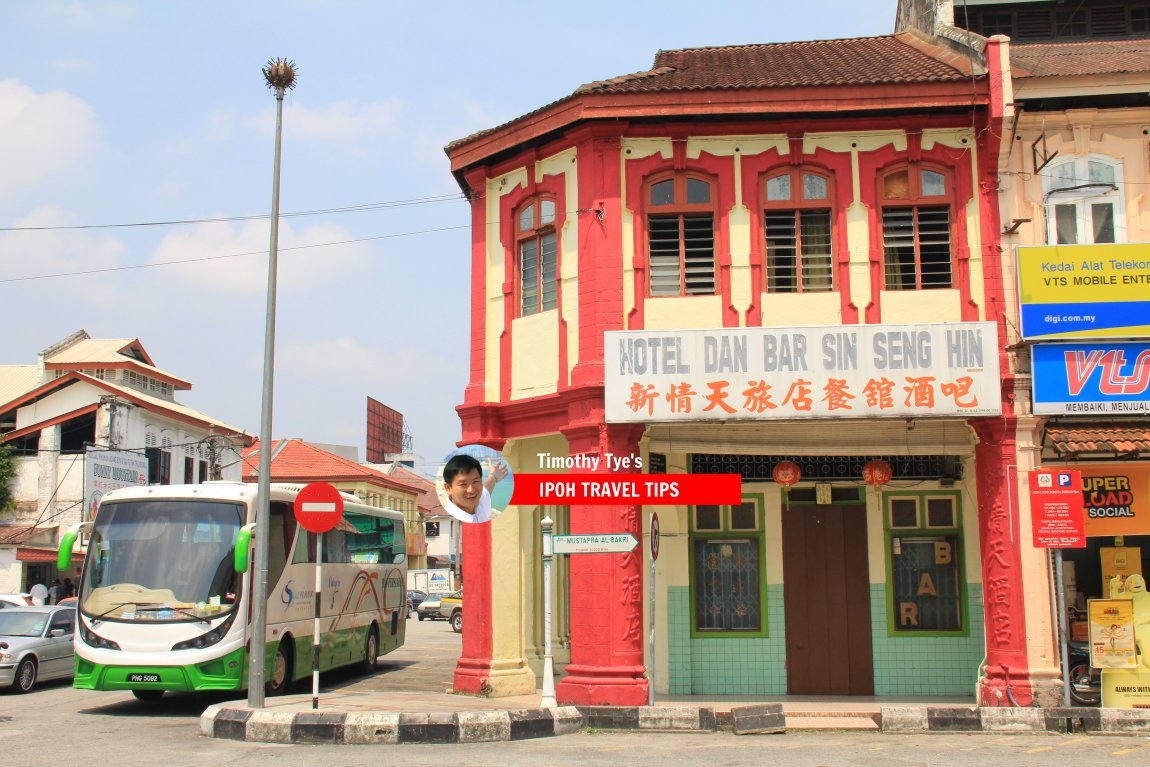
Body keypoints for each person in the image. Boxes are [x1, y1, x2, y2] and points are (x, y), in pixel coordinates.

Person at [442, 454, 508, 524]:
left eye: (475, 481)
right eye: (463, 484)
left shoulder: (480, 501)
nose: (471, 490)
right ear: (448, 488)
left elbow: (487, 488)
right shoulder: (450, 519)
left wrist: (494, 476)